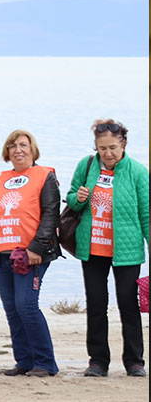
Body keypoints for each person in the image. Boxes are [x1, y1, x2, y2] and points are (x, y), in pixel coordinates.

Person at [67, 119, 149, 378]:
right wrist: (78, 198)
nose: (108, 153)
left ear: (123, 144)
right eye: (102, 148)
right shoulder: (86, 166)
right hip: (92, 249)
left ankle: (134, 361)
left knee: (128, 305)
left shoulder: (138, 172)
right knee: (96, 304)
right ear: (96, 147)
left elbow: (147, 214)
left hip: (127, 250)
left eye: (113, 147)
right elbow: (71, 199)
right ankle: (98, 361)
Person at [0, 130, 60, 377]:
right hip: (2, 253)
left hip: (30, 253)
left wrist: (36, 247)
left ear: (33, 150)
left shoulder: (45, 176)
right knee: (12, 309)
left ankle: (45, 363)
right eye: (13, 146)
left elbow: (51, 214)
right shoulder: (1, 179)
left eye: (23, 145)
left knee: (26, 305)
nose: (18, 150)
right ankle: (24, 361)